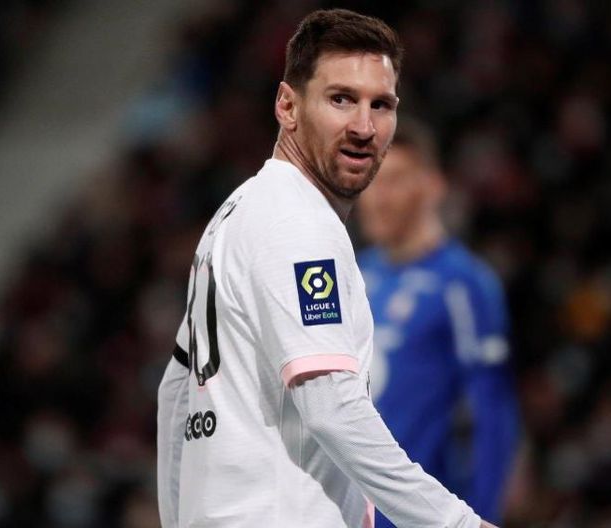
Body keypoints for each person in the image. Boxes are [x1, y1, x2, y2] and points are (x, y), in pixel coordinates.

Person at [156, 8, 498, 528]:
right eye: (341, 99)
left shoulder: (236, 213)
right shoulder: (299, 223)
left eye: (381, 105)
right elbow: (332, 409)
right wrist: (457, 523)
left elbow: (176, 393)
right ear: (287, 106)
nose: (364, 127)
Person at [356, 117, 520, 526]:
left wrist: (482, 516)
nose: (377, 197)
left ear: (432, 186)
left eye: (394, 181)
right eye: (371, 180)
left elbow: (492, 413)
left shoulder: (463, 285)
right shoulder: (352, 274)